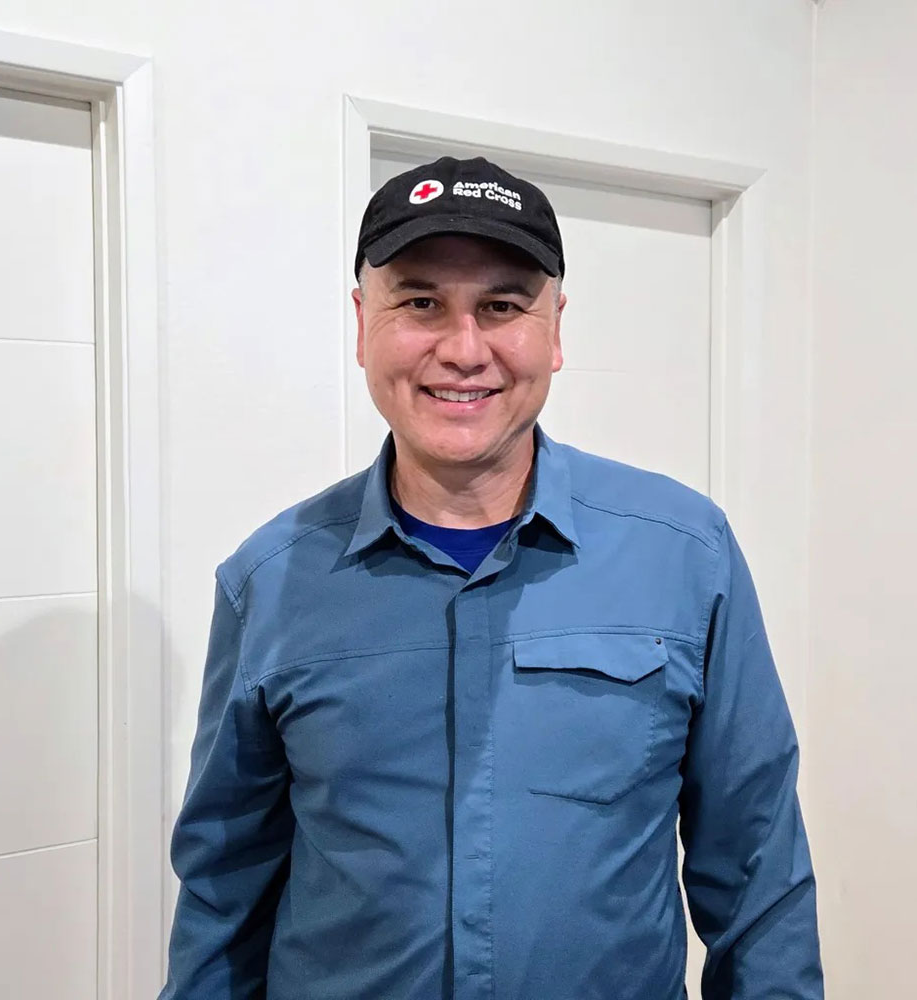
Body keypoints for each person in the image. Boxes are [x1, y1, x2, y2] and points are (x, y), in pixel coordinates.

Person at [160, 156, 823, 999]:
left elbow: (757, 868)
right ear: (362, 322)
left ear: (555, 329)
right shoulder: (269, 580)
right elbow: (224, 890)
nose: (463, 350)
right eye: (420, 303)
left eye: (502, 306)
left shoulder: (685, 553)